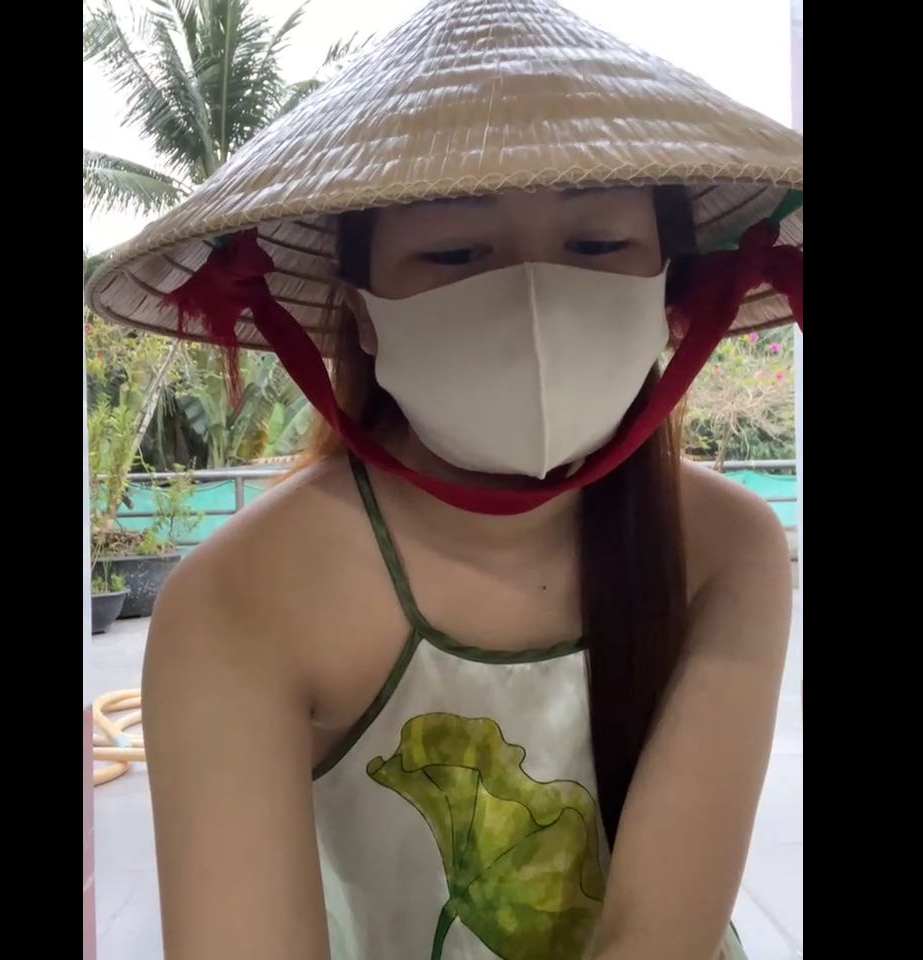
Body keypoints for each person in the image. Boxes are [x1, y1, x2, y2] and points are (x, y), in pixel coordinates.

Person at [86, 1, 803, 958]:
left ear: (665, 290)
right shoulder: (239, 597)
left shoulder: (727, 547)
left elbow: (659, 937)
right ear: (362, 313)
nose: (533, 296)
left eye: (597, 246)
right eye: (457, 253)